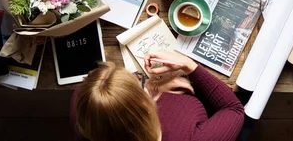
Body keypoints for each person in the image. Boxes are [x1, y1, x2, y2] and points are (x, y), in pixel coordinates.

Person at [72, 51, 244, 141]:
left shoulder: (86, 104)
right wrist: (189, 64)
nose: (142, 79)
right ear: (146, 106)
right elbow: (234, 109)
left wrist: (151, 86)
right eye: (139, 81)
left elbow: (97, 78)